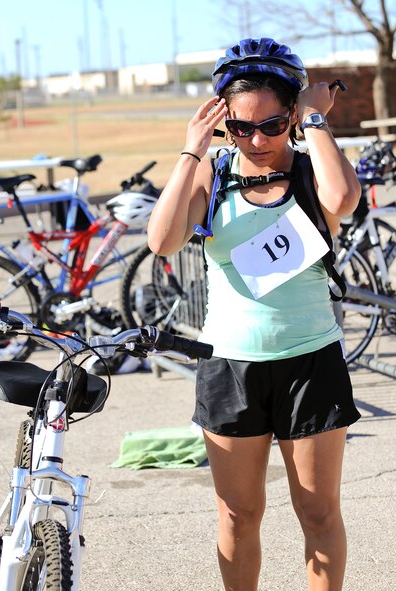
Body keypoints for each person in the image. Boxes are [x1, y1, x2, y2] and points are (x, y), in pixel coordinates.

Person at [147, 38, 362, 591]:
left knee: (318, 515)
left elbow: (342, 201)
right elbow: (163, 240)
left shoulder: (315, 167)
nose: (258, 140)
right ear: (224, 125)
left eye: (272, 124)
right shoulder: (213, 174)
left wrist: (314, 119)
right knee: (238, 515)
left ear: (291, 115)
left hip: (310, 360)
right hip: (230, 368)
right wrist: (191, 150)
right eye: (241, 128)